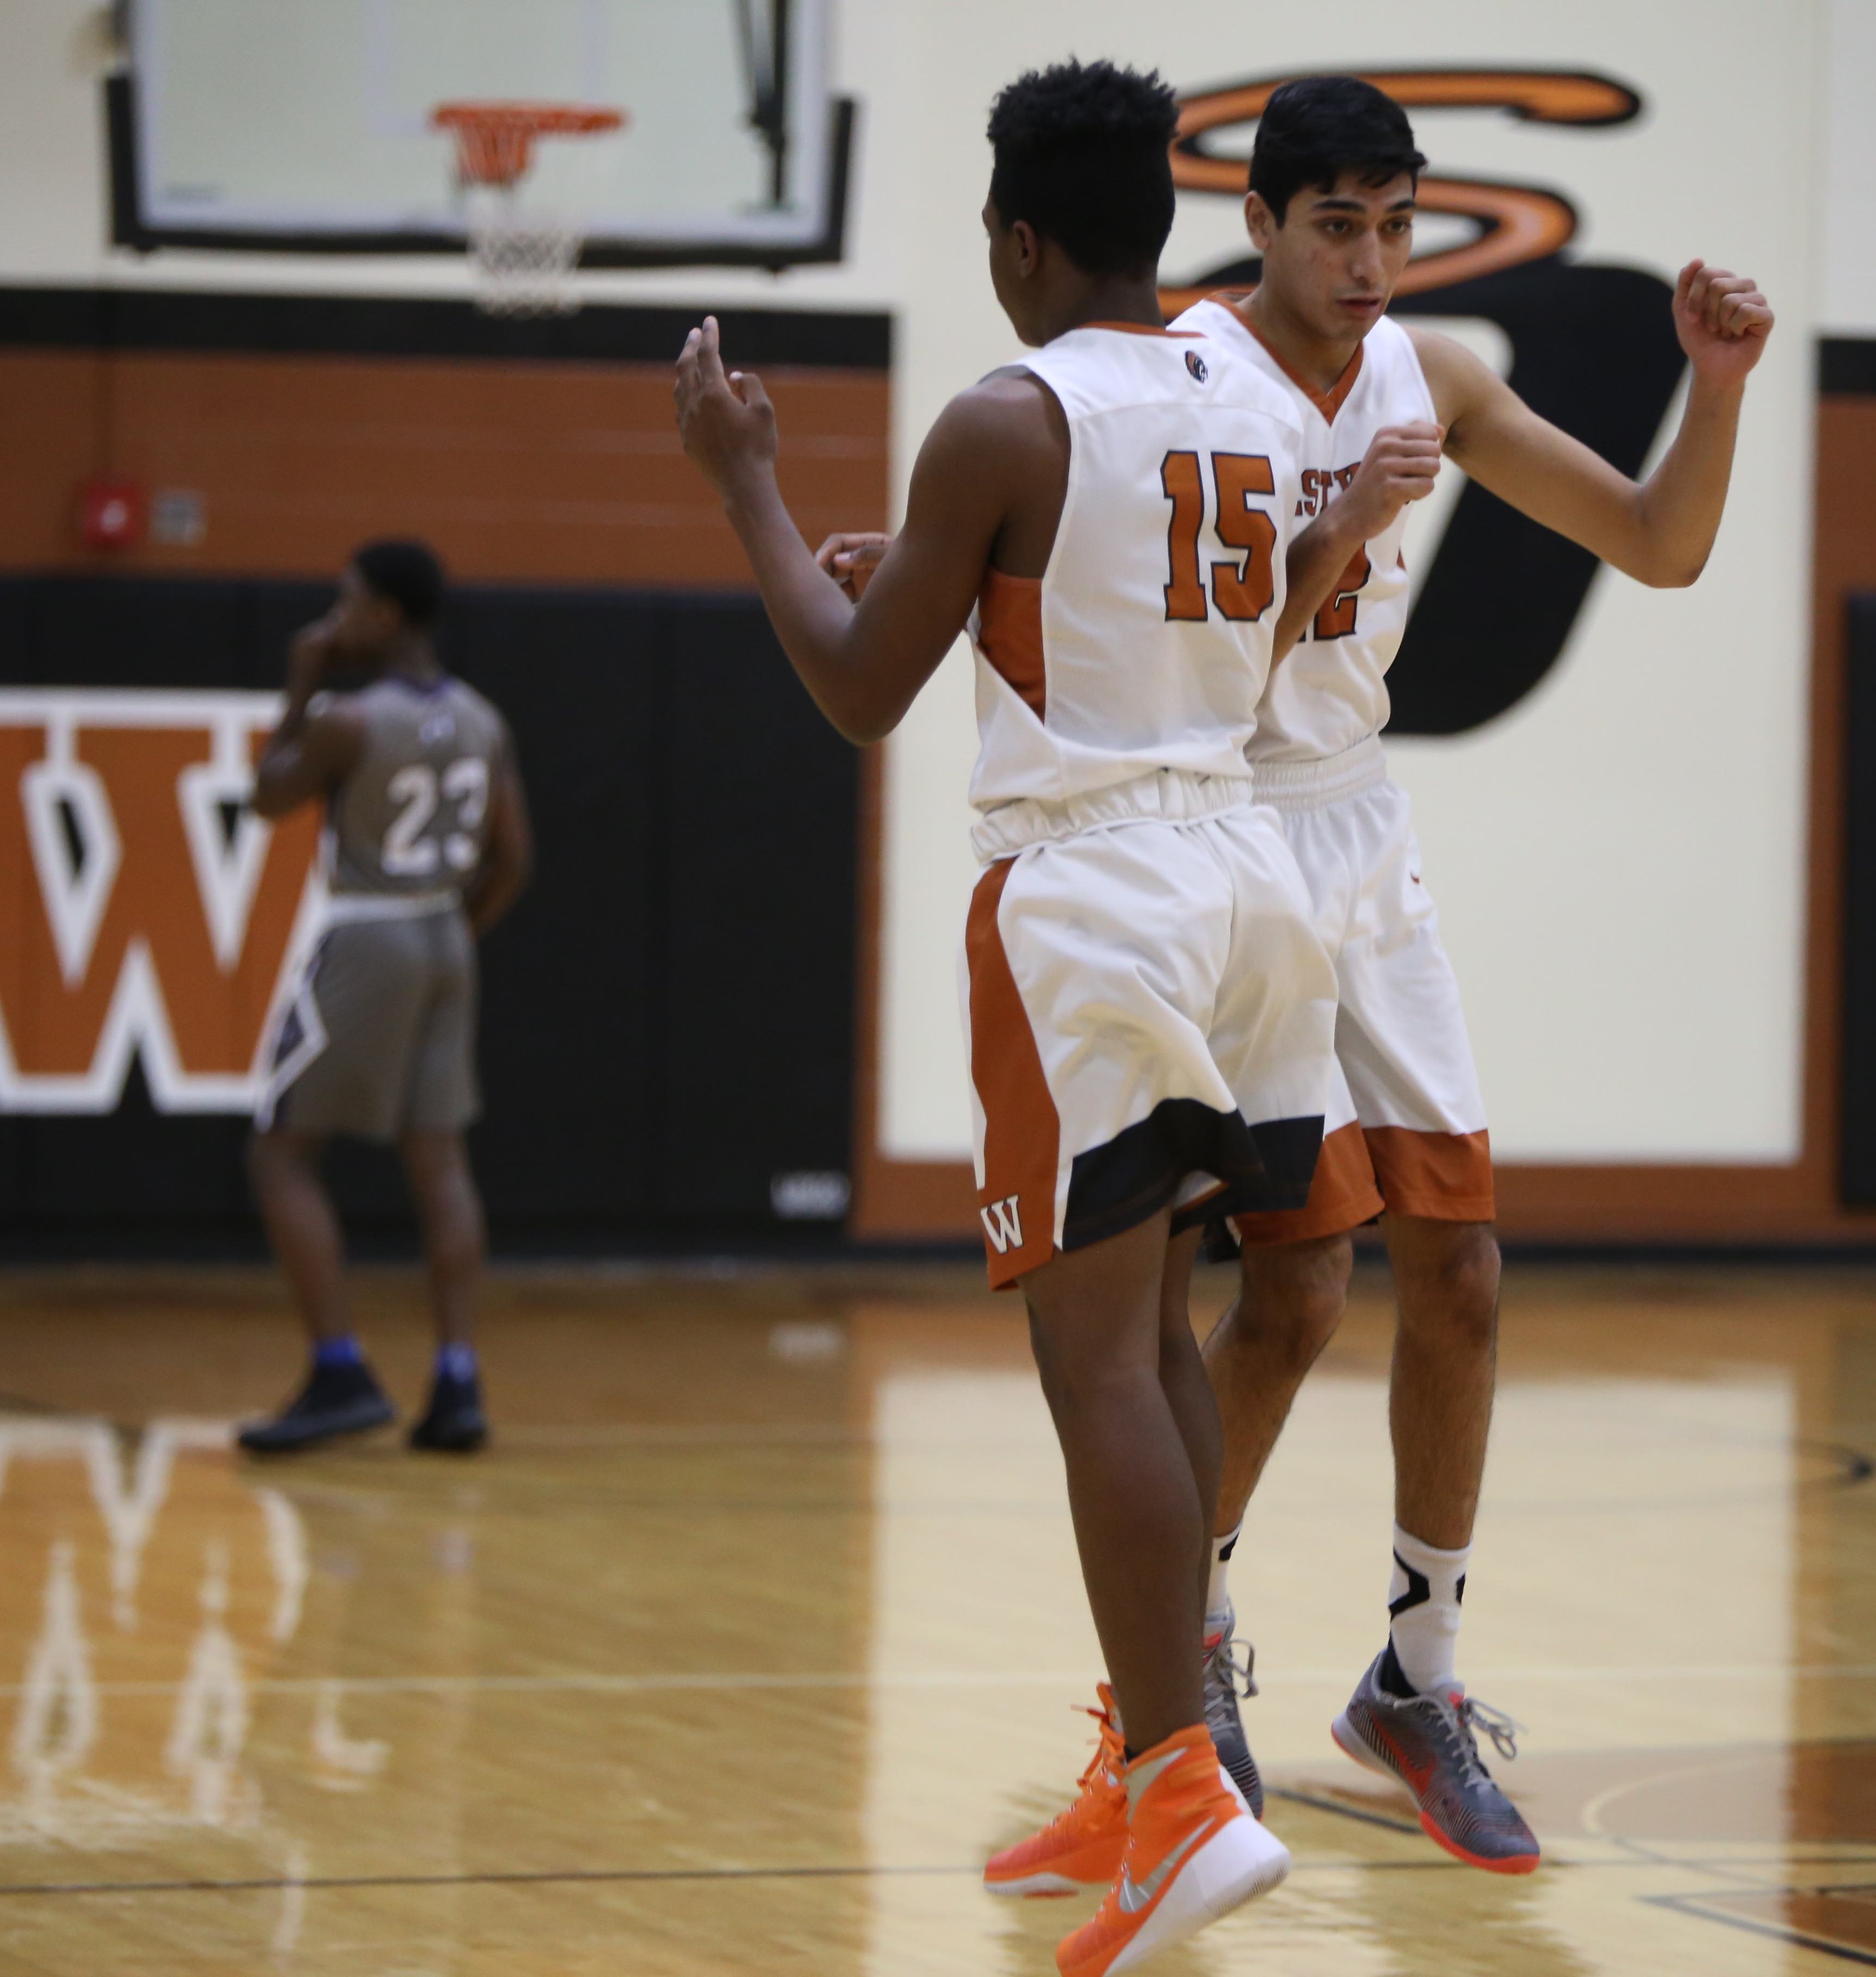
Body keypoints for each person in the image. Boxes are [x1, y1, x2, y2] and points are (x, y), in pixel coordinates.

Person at [826, 74, 1762, 1873]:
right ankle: (1179, 1673)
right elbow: (1107, 623)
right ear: (1253, 223)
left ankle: (1416, 1670)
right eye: (1338, 222)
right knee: (1294, 1292)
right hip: (1212, 830)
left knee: (1463, 1267)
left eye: (1399, 224)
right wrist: (939, 578)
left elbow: (1661, 542)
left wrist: (1713, 386)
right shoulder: (1168, 371)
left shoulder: (1441, 379)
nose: (1372, 259)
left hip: (1357, 833)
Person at [674, 60, 1425, 1976]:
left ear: (1018, 238)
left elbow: (858, 689)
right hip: (1249, 873)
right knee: (1165, 1337)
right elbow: (1225, 626)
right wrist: (961, 586)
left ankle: (1181, 1779)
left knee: (1097, 1364)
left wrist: (747, 483)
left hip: (1090, 899)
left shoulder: (1003, 412)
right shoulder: (1243, 392)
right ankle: (1161, 1764)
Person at [237, 539, 533, 1458]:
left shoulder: (346, 720)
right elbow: (515, 862)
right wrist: (447, 938)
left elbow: (264, 798)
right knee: (439, 1161)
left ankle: (337, 1370)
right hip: (447, 932)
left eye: (348, 602)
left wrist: (299, 676)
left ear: (387, 616)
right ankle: (456, 1383)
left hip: (368, 931)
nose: (337, 620)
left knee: (281, 1153)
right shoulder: (483, 720)